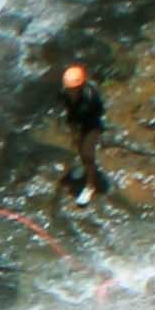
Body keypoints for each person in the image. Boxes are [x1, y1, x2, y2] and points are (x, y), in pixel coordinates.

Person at [50, 54, 110, 202]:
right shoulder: (65, 94)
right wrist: (73, 129)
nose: (71, 92)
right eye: (69, 89)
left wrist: (87, 132)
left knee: (88, 154)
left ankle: (90, 186)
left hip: (92, 123)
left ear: (81, 86)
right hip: (76, 121)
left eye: (74, 89)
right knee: (78, 146)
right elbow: (66, 108)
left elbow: (99, 114)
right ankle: (82, 166)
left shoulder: (90, 96)